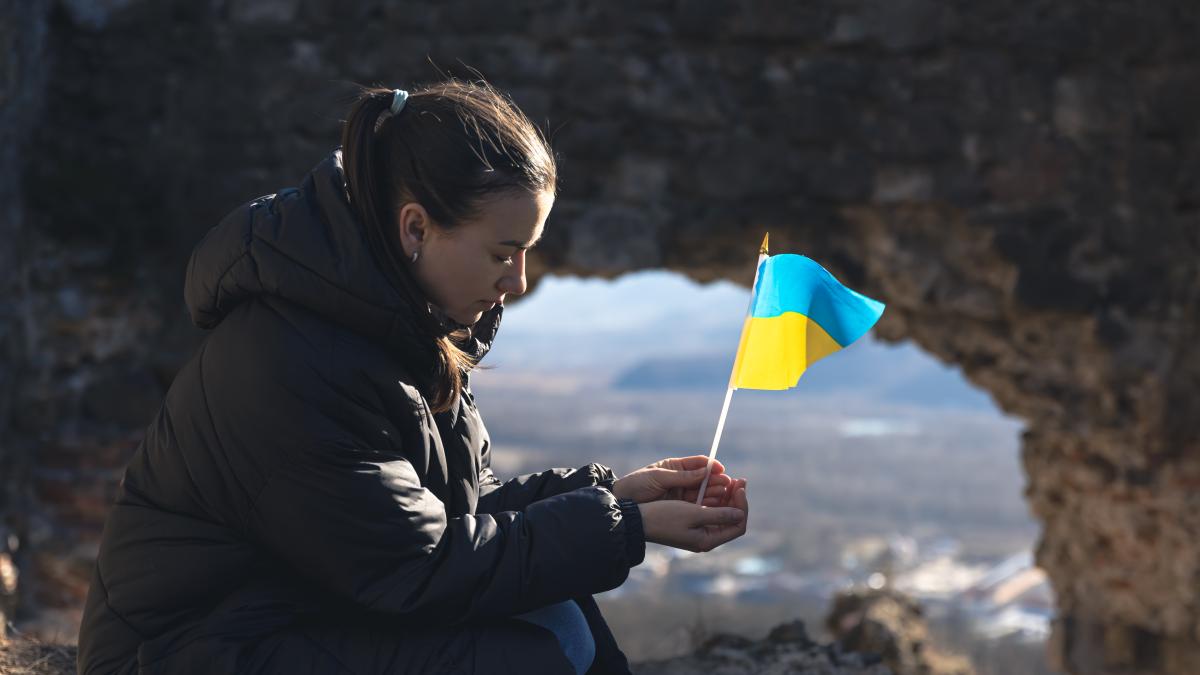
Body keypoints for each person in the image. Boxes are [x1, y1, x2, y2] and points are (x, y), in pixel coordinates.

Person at [76, 77, 749, 675]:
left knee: (555, 599)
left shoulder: (403, 325)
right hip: (187, 650)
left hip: (295, 613)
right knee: (538, 651)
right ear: (415, 227)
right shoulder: (291, 357)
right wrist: (622, 527)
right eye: (501, 252)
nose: (515, 281)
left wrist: (614, 494)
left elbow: (450, 509)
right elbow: (414, 568)